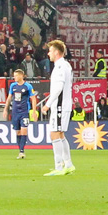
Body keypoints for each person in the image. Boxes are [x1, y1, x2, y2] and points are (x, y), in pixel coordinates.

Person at [43, 39, 75, 177]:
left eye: (50, 51)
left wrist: (47, 104)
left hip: (60, 105)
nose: (48, 53)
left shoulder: (60, 66)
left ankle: (59, 166)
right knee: (60, 134)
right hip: (64, 104)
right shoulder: (66, 65)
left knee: (54, 134)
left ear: (56, 52)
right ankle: (68, 164)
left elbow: (59, 87)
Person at [4, 68, 36, 160]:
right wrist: (6, 109)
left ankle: (22, 151)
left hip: (24, 112)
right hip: (15, 112)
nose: (14, 77)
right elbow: (9, 97)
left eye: (16, 75)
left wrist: (34, 112)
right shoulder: (13, 86)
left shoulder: (28, 86)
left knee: (24, 130)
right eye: (14, 76)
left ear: (21, 76)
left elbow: (33, 99)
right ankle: (20, 150)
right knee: (17, 132)